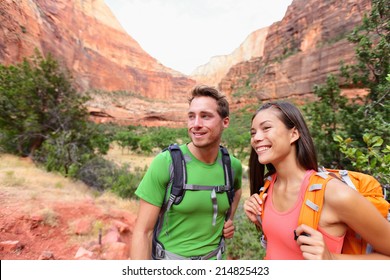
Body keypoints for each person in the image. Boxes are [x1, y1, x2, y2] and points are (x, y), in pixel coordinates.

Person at [243, 101, 390, 260]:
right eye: (253, 132)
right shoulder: (268, 187)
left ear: (293, 134)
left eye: (266, 128)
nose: (256, 138)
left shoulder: (334, 194)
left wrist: (331, 259)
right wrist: (260, 219)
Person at [131, 85, 242, 260]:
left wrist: (229, 218)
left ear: (225, 122)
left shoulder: (232, 166)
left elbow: (236, 190)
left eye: (205, 116)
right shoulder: (167, 163)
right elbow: (143, 232)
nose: (196, 124)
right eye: (192, 117)